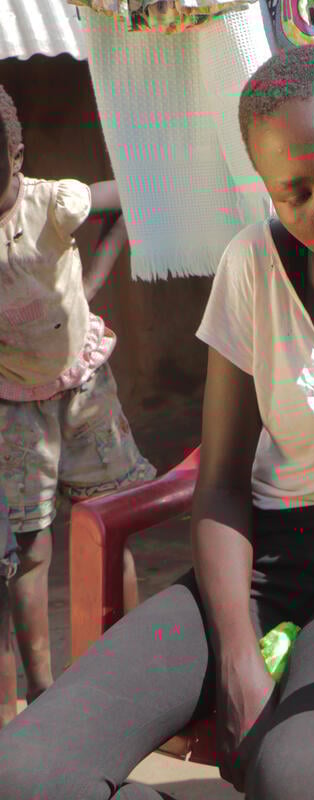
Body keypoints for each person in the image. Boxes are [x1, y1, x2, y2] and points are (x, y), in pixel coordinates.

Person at [0, 44, 314, 799]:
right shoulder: (252, 267)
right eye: (295, 193)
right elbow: (218, 486)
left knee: (301, 776)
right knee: (24, 772)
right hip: (263, 561)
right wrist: (239, 660)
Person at [0, 84, 151, 729]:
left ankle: (136, 668)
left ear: (16, 154)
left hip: (83, 388)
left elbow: (125, 201)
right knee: (30, 548)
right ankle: (44, 692)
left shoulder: (51, 203)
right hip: (13, 404)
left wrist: (89, 285)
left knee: (107, 521)